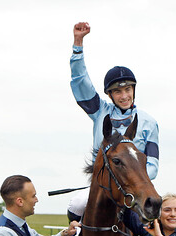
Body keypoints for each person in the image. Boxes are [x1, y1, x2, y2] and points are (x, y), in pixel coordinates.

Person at [67, 21, 161, 222]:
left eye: (128, 90)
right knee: (76, 204)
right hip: (102, 187)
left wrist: (132, 184)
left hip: (136, 188)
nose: (124, 95)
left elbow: (152, 164)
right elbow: (80, 81)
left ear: (134, 90)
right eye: (118, 91)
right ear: (110, 95)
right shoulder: (100, 111)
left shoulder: (149, 122)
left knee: (154, 216)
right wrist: (78, 44)